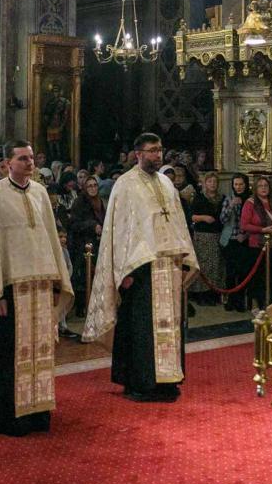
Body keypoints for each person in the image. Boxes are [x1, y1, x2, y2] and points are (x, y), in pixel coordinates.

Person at [0, 140, 73, 436]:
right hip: (10, 293)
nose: (29, 163)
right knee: (9, 357)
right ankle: (9, 419)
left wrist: (57, 283)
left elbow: (49, 241)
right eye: (22, 158)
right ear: (6, 163)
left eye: (31, 158)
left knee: (41, 352)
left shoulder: (42, 193)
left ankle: (38, 413)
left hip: (40, 289)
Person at [83, 133, 198, 403]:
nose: (157, 155)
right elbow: (120, 230)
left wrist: (183, 259)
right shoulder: (125, 185)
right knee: (141, 329)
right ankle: (140, 382)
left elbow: (178, 222)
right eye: (152, 151)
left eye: (160, 150)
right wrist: (125, 272)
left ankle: (167, 379)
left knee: (169, 327)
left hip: (168, 266)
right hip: (140, 269)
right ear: (138, 154)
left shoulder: (167, 185)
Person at [240, 175, 272, 308]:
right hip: (258, 245)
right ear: (255, 189)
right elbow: (244, 225)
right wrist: (263, 229)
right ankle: (261, 304)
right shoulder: (250, 203)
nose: (263, 188)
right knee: (260, 277)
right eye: (260, 186)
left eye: (265, 186)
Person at [67, 176, 106, 316]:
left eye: (95, 185)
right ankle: (81, 306)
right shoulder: (79, 202)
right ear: (84, 187)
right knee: (83, 276)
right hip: (82, 244)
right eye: (89, 186)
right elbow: (74, 224)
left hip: (97, 242)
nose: (93, 188)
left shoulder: (100, 202)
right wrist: (92, 226)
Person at [188, 172, 225, 304]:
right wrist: (203, 217)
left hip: (218, 235)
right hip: (203, 235)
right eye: (210, 182)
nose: (212, 184)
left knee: (216, 265)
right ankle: (201, 294)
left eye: (215, 182)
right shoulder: (199, 198)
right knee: (204, 265)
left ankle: (213, 292)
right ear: (205, 183)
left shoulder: (222, 198)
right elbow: (191, 217)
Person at [220, 173, 253, 311]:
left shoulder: (251, 200)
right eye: (236, 184)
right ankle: (230, 301)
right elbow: (222, 219)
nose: (238, 187)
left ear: (246, 185)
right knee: (230, 273)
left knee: (243, 272)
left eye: (241, 184)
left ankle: (240, 302)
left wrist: (245, 235)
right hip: (230, 240)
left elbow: (254, 221)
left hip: (245, 240)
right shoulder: (229, 199)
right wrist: (231, 206)